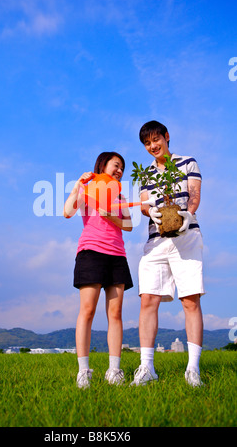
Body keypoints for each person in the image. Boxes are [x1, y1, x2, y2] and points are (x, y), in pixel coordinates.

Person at [130, 121, 205, 388]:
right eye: (147, 143)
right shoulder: (146, 173)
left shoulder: (187, 162)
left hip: (187, 237)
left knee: (190, 300)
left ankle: (192, 369)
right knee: (148, 299)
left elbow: (194, 195)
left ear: (167, 136)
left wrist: (188, 213)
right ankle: (146, 368)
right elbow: (142, 206)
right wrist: (150, 211)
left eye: (156, 140)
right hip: (156, 241)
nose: (153, 146)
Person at [64, 152, 133, 388]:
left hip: (117, 255)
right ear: (103, 165)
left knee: (115, 314)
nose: (120, 170)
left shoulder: (120, 195)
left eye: (122, 168)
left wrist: (110, 215)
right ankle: (84, 371)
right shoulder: (88, 190)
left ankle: (114, 371)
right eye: (116, 165)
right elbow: (67, 212)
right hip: (91, 252)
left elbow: (129, 225)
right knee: (88, 310)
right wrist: (76, 187)